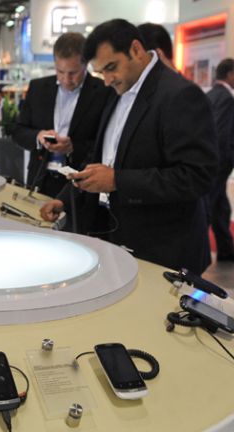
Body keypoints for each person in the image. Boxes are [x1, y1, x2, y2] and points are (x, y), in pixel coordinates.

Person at [40, 19, 218, 275]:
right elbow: (102, 156)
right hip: (116, 238)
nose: (107, 80)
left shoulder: (179, 95)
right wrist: (66, 199)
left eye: (111, 67)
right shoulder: (119, 90)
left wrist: (117, 181)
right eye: (101, 73)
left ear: (136, 50)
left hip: (164, 248)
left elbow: (197, 177)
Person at [12, 32, 112, 198]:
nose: (66, 79)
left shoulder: (104, 91)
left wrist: (73, 147)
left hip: (81, 185)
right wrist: (39, 136)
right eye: (60, 71)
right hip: (40, 180)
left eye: (73, 73)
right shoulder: (37, 88)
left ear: (86, 64)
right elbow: (18, 132)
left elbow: (106, 143)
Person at [206, 58, 234, 262]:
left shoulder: (211, 94)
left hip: (214, 164)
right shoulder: (225, 98)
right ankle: (196, 253)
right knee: (209, 208)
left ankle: (225, 249)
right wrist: (226, 161)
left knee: (221, 207)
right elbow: (221, 135)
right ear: (230, 74)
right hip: (218, 165)